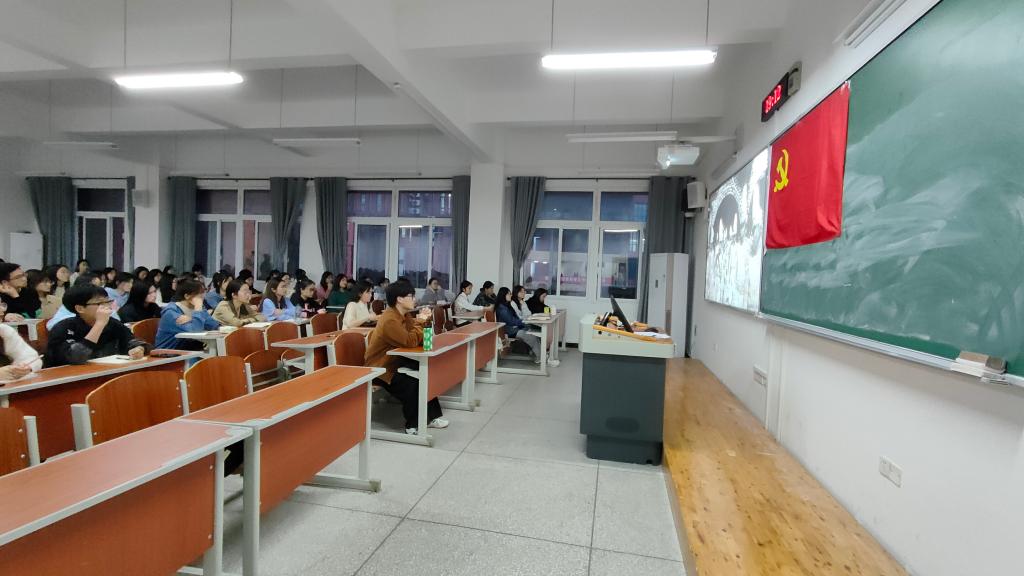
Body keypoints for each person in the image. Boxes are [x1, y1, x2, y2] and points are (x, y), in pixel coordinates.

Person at [365, 282, 448, 434]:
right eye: (411, 296)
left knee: (427, 373)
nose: (415, 299)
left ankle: (431, 417)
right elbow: (409, 341)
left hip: (397, 360)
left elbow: (420, 338)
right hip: (382, 368)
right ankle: (412, 425)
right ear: (399, 299)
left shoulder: (404, 315)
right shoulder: (389, 320)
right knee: (412, 383)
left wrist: (425, 321)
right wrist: (421, 321)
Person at [45, 285, 150, 367]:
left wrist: (139, 348)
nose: (107, 306)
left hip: (104, 372)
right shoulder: (63, 328)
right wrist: (99, 324)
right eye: (100, 303)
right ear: (80, 308)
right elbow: (76, 358)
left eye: (108, 301)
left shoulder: (112, 323)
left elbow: (133, 341)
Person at [494, 287, 557, 366]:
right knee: (531, 337)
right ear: (504, 295)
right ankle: (542, 358)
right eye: (509, 294)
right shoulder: (502, 308)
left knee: (534, 334)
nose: (511, 295)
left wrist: (523, 322)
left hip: (514, 328)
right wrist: (523, 322)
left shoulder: (506, 306)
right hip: (510, 331)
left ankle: (541, 356)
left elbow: (515, 318)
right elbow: (511, 321)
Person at [156, 279, 220, 351]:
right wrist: (198, 309)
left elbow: (213, 325)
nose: (203, 296)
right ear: (187, 296)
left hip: (188, 350)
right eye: (200, 294)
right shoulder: (171, 313)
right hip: (168, 353)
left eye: (203, 292)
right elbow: (195, 330)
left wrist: (192, 317)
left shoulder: (196, 308)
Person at [47, 273, 122, 330]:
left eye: (100, 285)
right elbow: (51, 325)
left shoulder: (105, 303)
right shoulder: (71, 304)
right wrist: (87, 318)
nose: (99, 289)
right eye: (94, 286)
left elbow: (117, 322)